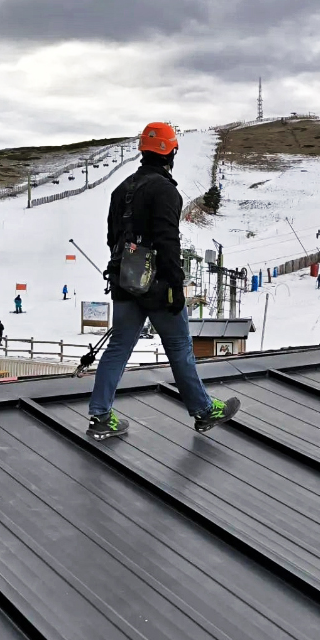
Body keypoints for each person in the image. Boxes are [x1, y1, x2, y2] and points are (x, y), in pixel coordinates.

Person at [87, 121, 240, 440]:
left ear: (144, 150)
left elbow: (112, 238)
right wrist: (175, 286)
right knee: (179, 346)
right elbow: (168, 242)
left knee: (119, 348)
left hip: (124, 280)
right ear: (170, 152)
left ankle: (100, 415)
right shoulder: (166, 192)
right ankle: (203, 411)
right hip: (158, 286)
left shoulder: (120, 190)